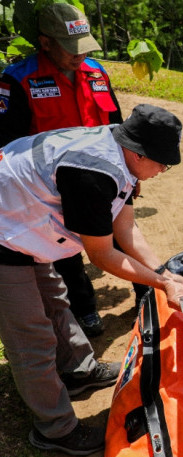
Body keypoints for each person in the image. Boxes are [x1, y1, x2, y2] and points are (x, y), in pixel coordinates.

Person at [0, 104, 183, 456]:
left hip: (23, 221)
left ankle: (77, 370)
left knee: (55, 299)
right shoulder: (92, 173)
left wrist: (165, 271)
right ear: (138, 154)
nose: (164, 170)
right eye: (162, 163)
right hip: (6, 229)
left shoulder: (118, 150)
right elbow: (103, 255)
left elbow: (125, 226)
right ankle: (55, 429)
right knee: (31, 334)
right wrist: (161, 284)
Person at [0, 3, 124, 337]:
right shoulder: (18, 80)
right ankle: (84, 310)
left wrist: (131, 177)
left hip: (104, 179)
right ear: (45, 42)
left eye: (84, 48)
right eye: (72, 49)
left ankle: (147, 295)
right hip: (50, 190)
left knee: (122, 236)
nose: (79, 56)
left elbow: (118, 128)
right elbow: (8, 144)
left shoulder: (96, 72)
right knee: (65, 253)